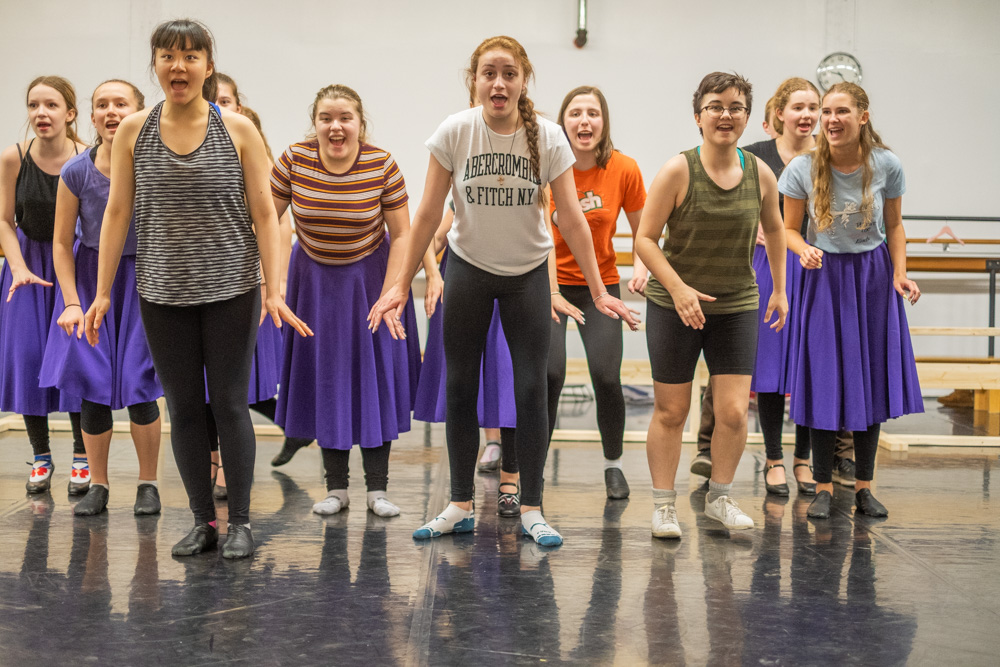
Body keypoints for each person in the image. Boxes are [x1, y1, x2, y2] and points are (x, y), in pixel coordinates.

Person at [369, 35, 639, 547]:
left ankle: (533, 507)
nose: (499, 82)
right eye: (489, 73)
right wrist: (401, 284)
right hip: (468, 270)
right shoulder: (455, 131)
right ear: (474, 80)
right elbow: (427, 214)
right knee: (461, 388)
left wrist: (601, 290)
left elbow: (573, 219)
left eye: (509, 73)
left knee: (531, 389)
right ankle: (459, 504)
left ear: (523, 80)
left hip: (528, 277)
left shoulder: (550, 136)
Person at [85, 19, 310, 559]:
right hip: (162, 293)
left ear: (208, 66)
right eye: (167, 56)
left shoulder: (237, 129)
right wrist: (101, 293)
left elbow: (264, 212)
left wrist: (272, 289)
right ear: (156, 66)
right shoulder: (136, 129)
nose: (178, 66)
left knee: (229, 404)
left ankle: (243, 524)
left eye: (190, 56)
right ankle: (202, 520)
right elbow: (117, 212)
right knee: (184, 408)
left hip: (231, 288)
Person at [636, 72, 788, 539]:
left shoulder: (760, 172)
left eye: (736, 106)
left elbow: (777, 230)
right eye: (716, 106)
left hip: (736, 305)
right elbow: (644, 239)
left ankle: (720, 497)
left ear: (747, 116)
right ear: (698, 115)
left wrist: (779, 289)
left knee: (734, 413)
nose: (726, 114)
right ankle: (664, 506)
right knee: (671, 411)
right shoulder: (678, 171)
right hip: (674, 305)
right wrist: (679, 289)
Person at [271, 84, 427, 519]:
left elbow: (404, 234)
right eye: (326, 118)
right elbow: (266, 218)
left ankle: (377, 488)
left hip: (371, 278)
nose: (335, 126)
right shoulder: (294, 159)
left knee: (374, 378)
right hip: (313, 282)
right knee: (327, 378)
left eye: (345, 118)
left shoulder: (381, 163)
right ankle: (336, 488)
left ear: (360, 124)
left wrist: (392, 293)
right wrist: (272, 281)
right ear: (315, 123)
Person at [779, 82, 922, 519]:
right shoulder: (803, 168)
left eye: (841, 111)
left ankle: (864, 487)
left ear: (862, 116)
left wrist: (899, 272)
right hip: (824, 278)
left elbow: (894, 225)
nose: (831, 120)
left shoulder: (886, 164)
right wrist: (802, 248)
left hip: (872, 279)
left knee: (870, 380)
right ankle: (823, 487)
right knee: (824, 380)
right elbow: (786, 229)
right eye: (826, 112)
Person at [40, 79, 163, 516]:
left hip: (143, 281)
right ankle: (99, 483)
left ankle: (149, 483)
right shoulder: (77, 171)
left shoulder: (154, 164)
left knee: (140, 384)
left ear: (140, 112)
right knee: (92, 386)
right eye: (102, 105)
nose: (111, 111)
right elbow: (60, 243)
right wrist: (72, 300)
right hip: (92, 282)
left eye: (120, 103)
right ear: (90, 116)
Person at [207, 75, 311, 499]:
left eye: (226, 100)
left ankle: (228, 470)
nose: (218, 107)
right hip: (200, 278)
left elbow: (277, 218)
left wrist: (276, 277)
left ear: (240, 105)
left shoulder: (251, 145)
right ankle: (291, 426)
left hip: (247, 277)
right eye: (212, 100)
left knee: (238, 383)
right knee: (221, 385)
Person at [546, 85, 646, 500]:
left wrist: (640, 267)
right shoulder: (545, 167)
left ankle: (613, 465)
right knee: (549, 375)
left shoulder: (624, 168)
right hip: (548, 285)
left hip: (599, 286)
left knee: (606, 377)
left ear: (603, 123)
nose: (584, 121)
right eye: (575, 113)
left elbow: (646, 232)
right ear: (562, 121)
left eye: (592, 113)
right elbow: (536, 234)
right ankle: (532, 463)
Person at [0, 76, 88, 495]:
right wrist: (16, 266)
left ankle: (82, 455)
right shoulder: (13, 158)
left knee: (74, 359)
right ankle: (40, 455)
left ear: (69, 114)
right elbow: (3, 220)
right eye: (34, 105)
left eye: (51, 105)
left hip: (72, 268)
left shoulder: (89, 158)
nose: (41, 113)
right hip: (28, 267)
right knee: (30, 359)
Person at [414, 198, 521, 516]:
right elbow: (431, 236)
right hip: (462, 284)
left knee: (508, 379)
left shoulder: (520, 191)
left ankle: (510, 482)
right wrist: (427, 273)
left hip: (509, 284)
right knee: (460, 387)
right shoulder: (461, 195)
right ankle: (461, 497)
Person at [741, 77, 821, 497]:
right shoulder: (754, 157)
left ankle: (804, 459)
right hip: (767, 265)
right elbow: (732, 201)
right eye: (798, 107)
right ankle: (773, 458)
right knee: (770, 365)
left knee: (807, 363)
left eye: (813, 107)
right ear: (779, 115)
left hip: (814, 265)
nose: (806, 115)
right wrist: (753, 227)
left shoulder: (827, 158)